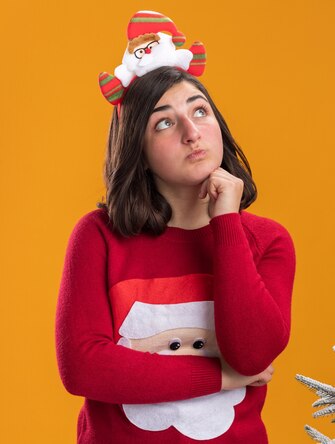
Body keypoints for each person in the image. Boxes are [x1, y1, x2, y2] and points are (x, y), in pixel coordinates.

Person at [55, 12, 295, 444]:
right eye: (164, 122)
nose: (191, 132)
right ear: (139, 151)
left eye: (199, 111)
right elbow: (84, 367)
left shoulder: (268, 240)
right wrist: (220, 377)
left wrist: (226, 221)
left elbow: (253, 353)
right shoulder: (98, 236)